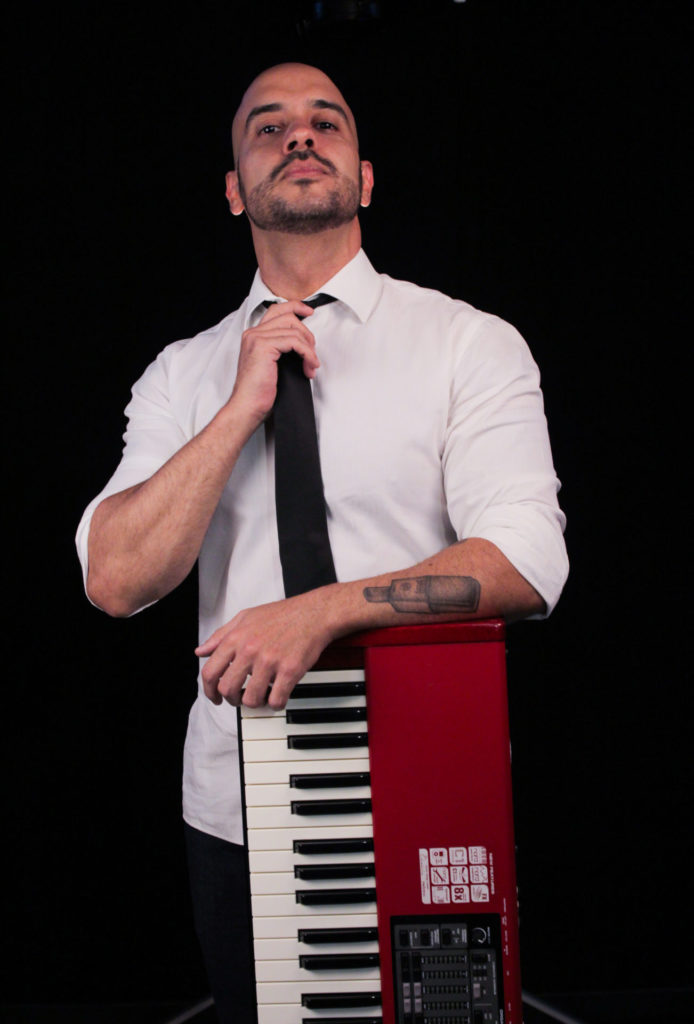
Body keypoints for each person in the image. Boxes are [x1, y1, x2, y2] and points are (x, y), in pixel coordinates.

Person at [76, 63, 568, 1022]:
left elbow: (528, 559)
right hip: (241, 799)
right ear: (234, 191)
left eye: (325, 121)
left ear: (365, 177)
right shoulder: (182, 375)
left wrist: (322, 613)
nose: (299, 136)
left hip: (431, 767)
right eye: (268, 127)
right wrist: (238, 406)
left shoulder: (467, 342)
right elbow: (115, 578)